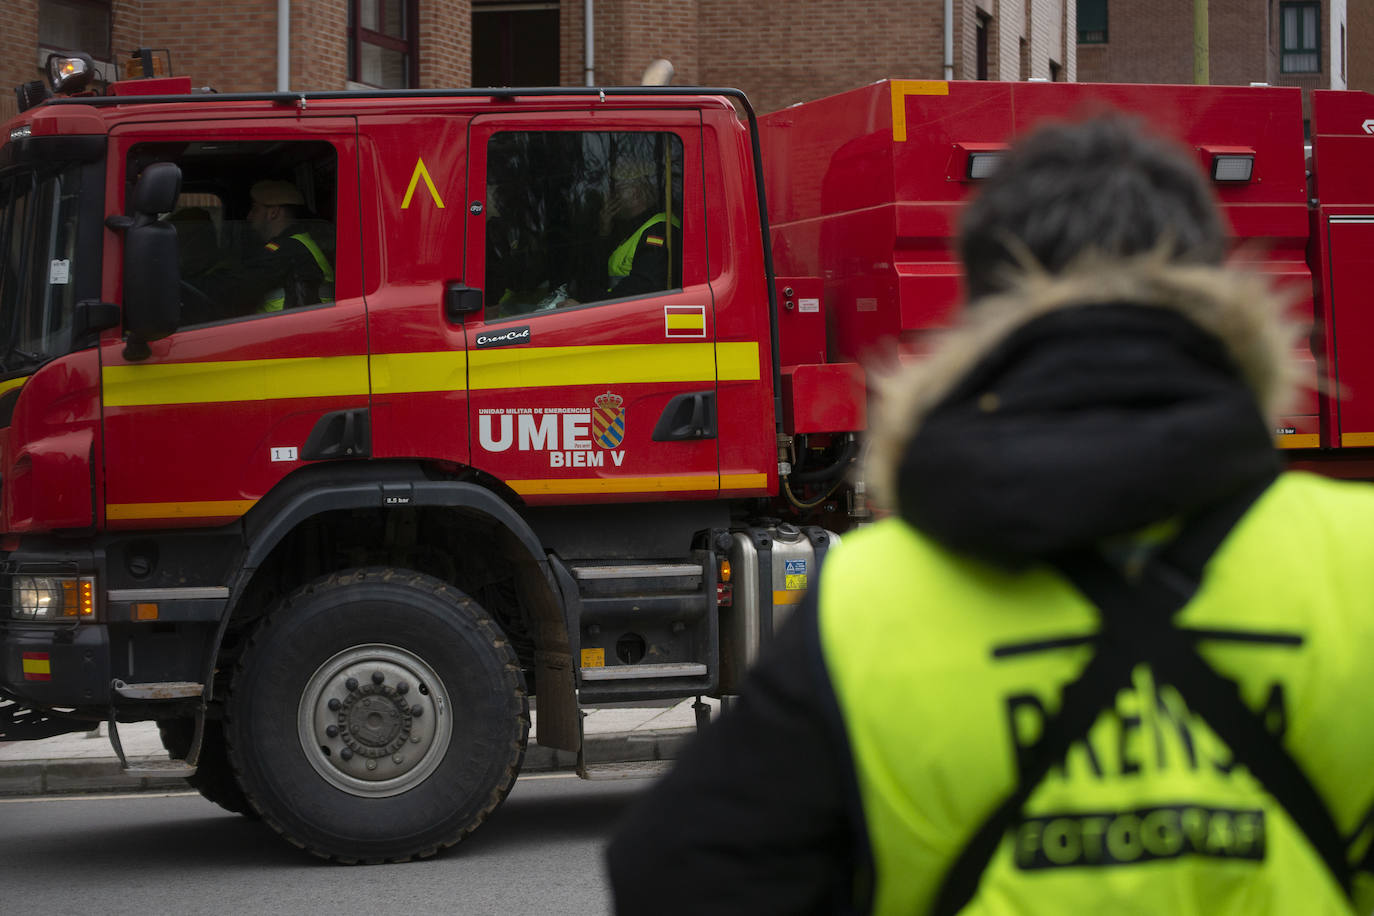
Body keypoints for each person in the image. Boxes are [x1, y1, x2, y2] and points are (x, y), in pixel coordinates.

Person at [606, 116, 1374, 915]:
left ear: (981, 306)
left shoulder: (870, 605)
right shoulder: (1357, 563)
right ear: (1216, 291)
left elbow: (673, 876)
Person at [219, 179, 334, 315]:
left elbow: (237, 290)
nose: (249, 216)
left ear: (273, 212)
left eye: (255, 209)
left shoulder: (287, 250)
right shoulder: (298, 241)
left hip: (288, 331)